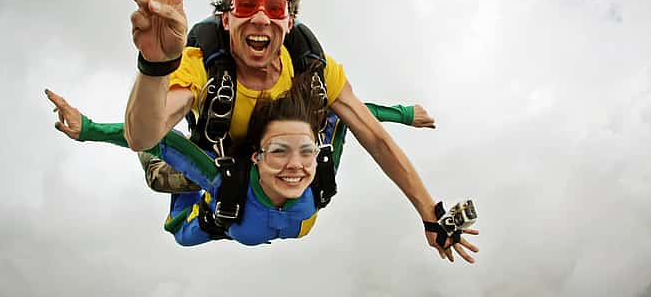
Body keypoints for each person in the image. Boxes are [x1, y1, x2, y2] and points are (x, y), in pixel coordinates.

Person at [124, 0, 478, 262]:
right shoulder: (201, 59)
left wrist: (431, 213)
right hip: (217, 158)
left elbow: (375, 137)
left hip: (269, 162)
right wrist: (156, 65)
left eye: (274, 7)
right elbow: (145, 134)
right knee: (162, 173)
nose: (261, 18)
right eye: (246, 4)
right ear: (226, 17)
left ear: (289, 20)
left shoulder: (312, 68)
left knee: (319, 141)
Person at [45, 70, 452, 246]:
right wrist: (90, 130)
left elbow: (345, 118)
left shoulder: (319, 172)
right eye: (280, 153)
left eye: (306, 152)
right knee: (163, 171)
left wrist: (403, 114)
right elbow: (156, 137)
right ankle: (197, 117)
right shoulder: (226, 184)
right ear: (259, 157)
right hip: (212, 207)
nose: (297, 165)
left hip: (248, 208)